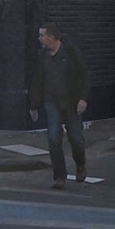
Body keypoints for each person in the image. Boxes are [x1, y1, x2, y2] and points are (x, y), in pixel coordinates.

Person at [28, 24, 89, 187]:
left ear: (53, 37)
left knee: (76, 139)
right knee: (54, 140)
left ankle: (80, 163)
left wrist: (83, 98)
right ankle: (60, 177)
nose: (40, 39)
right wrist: (34, 105)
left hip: (71, 102)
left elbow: (84, 75)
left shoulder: (70, 53)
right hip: (51, 102)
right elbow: (37, 80)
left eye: (42, 36)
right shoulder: (43, 56)